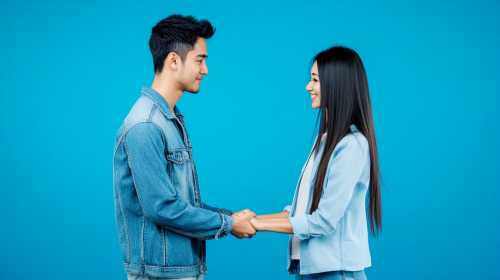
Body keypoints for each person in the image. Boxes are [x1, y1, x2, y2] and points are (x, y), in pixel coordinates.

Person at [112, 14, 257, 280]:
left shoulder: (169, 120)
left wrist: (228, 218)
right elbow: (163, 208)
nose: (206, 70)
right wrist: (228, 223)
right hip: (160, 274)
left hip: (180, 270)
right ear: (174, 61)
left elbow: (182, 203)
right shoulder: (146, 124)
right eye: (200, 60)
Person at [249, 46, 382, 280]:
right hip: (309, 272)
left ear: (336, 84)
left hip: (336, 273)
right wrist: (254, 219)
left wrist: (257, 225)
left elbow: (323, 221)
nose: (308, 87)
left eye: (315, 80)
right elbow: (302, 212)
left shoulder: (352, 145)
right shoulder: (324, 142)